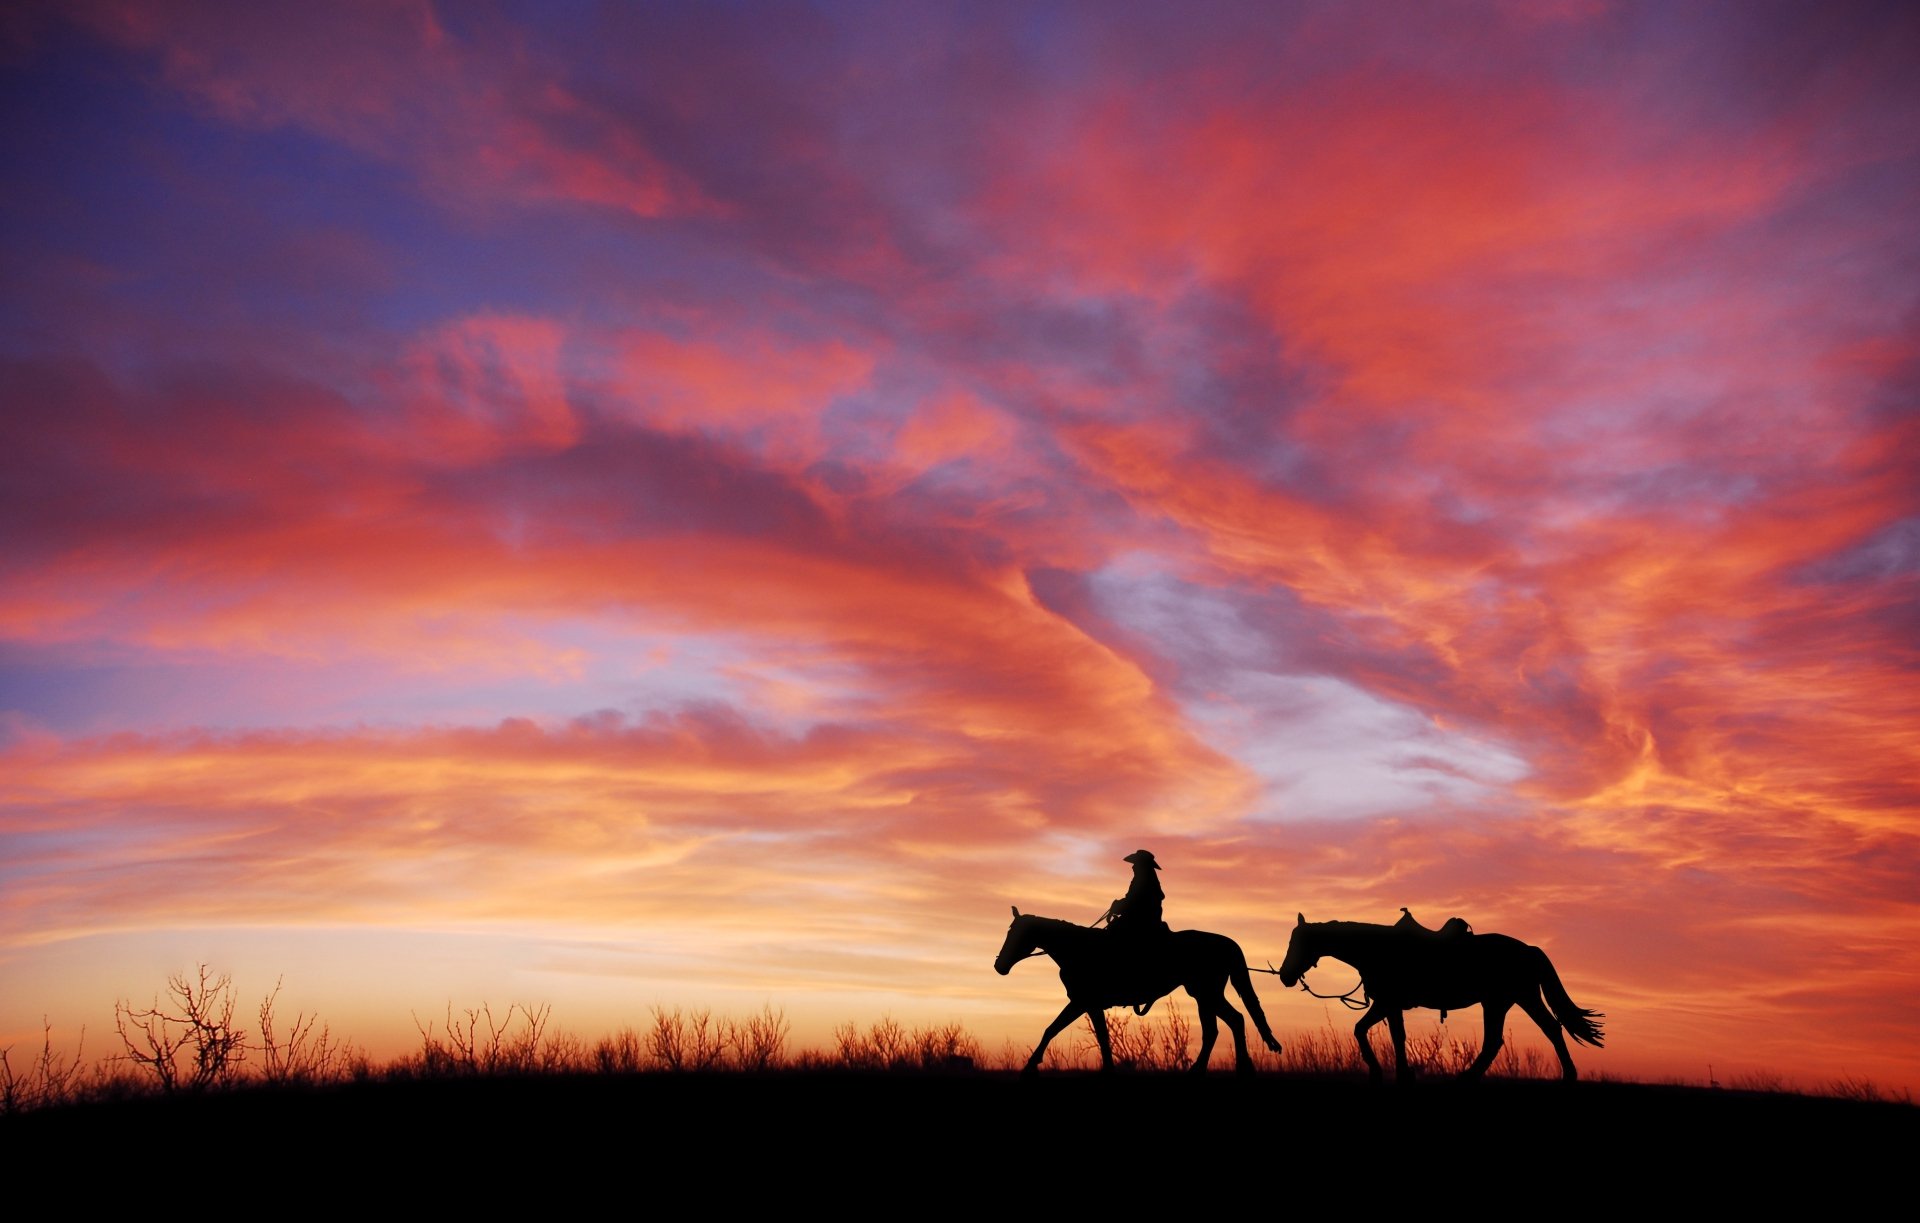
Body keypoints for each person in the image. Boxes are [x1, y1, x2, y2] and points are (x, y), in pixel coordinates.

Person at [1104, 849, 1168, 939]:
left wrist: (1117, 905)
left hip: (1141, 920)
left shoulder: (1143, 881)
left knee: (1114, 931)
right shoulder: (1147, 879)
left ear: (1142, 865)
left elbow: (1134, 902)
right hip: (1147, 918)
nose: (1133, 866)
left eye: (1136, 863)